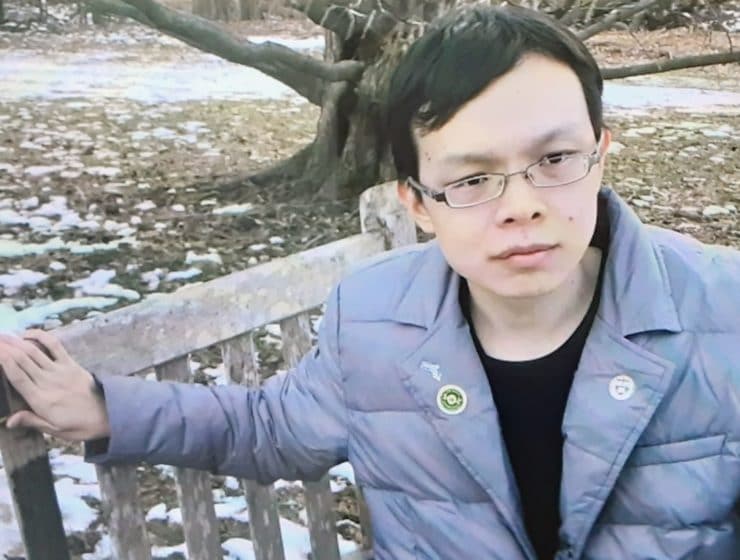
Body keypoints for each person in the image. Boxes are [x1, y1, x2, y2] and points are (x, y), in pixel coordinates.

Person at [0, 5, 738, 559]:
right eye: (472, 179)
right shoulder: (376, 319)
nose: (522, 206)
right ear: (416, 203)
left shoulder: (723, 312)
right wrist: (105, 409)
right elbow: (269, 429)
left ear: (601, 152)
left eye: (555, 159)